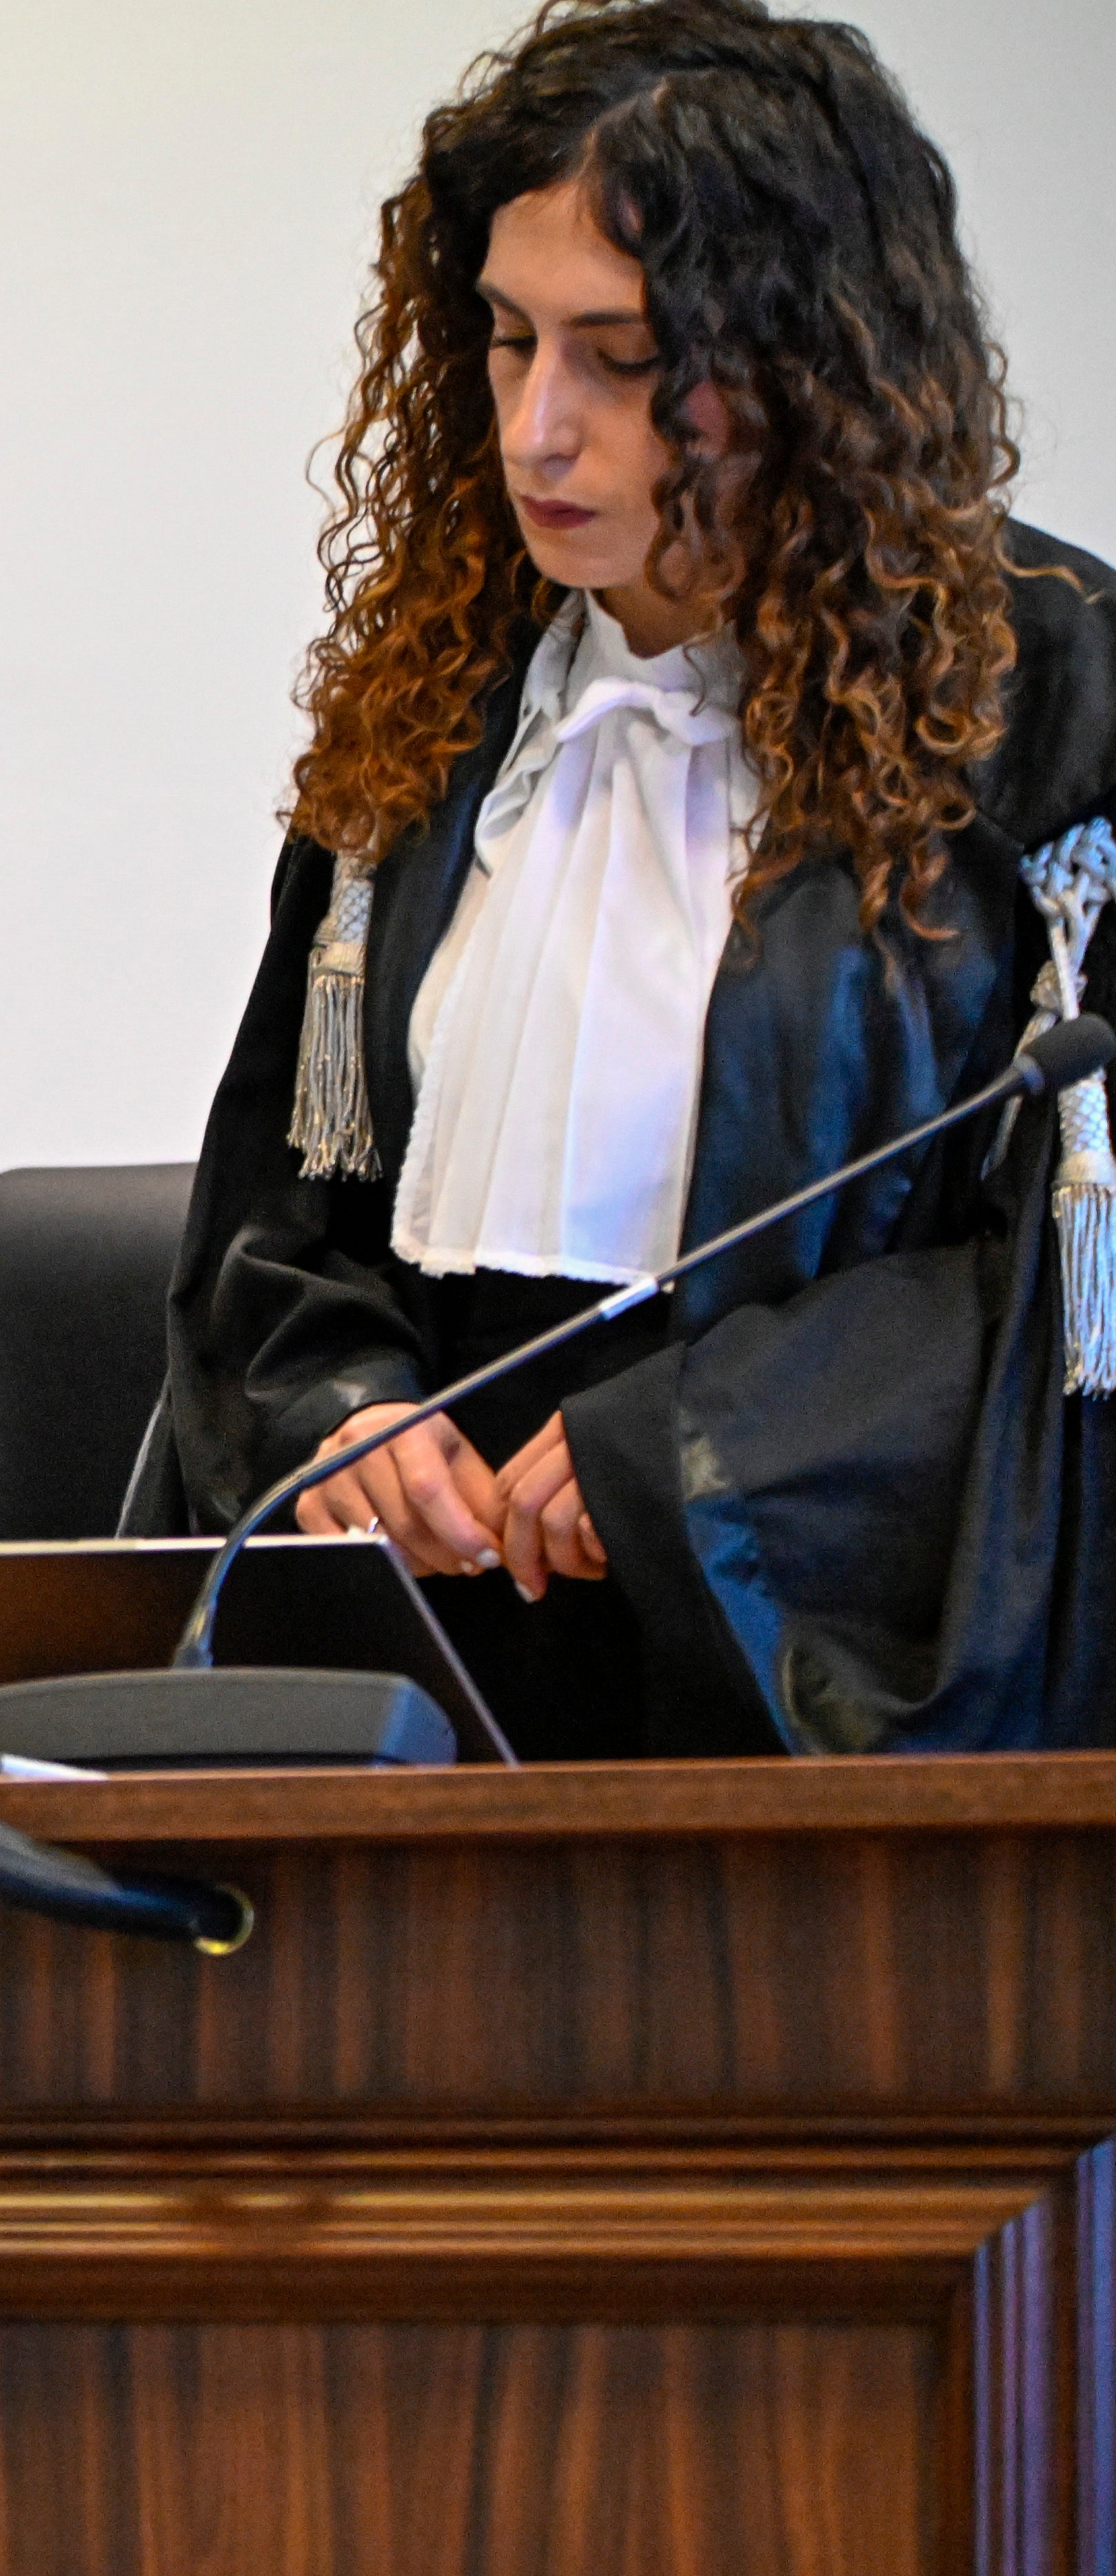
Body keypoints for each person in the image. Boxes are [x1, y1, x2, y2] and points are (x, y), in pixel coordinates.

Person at [153, 0, 1116, 1754]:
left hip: (807, 1652)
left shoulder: (1051, 700)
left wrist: (689, 1457)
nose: (535, 429)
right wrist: (346, 1415)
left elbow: (1063, 1266)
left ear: (809, 360)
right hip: (434, 1673)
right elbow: (280, 1208)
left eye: (620, 356)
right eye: (510, 344)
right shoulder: (436, 707)